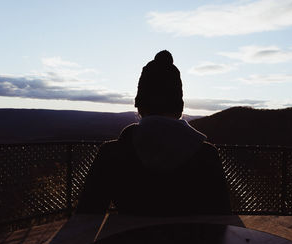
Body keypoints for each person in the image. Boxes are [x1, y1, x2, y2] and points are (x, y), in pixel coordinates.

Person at [76, 50, 231, 216]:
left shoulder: (111, 153)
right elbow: (222, 217)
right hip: (192, 241)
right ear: (179, 108)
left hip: (128, 241)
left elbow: (86, 216)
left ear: (139, 107)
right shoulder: (207, 154)